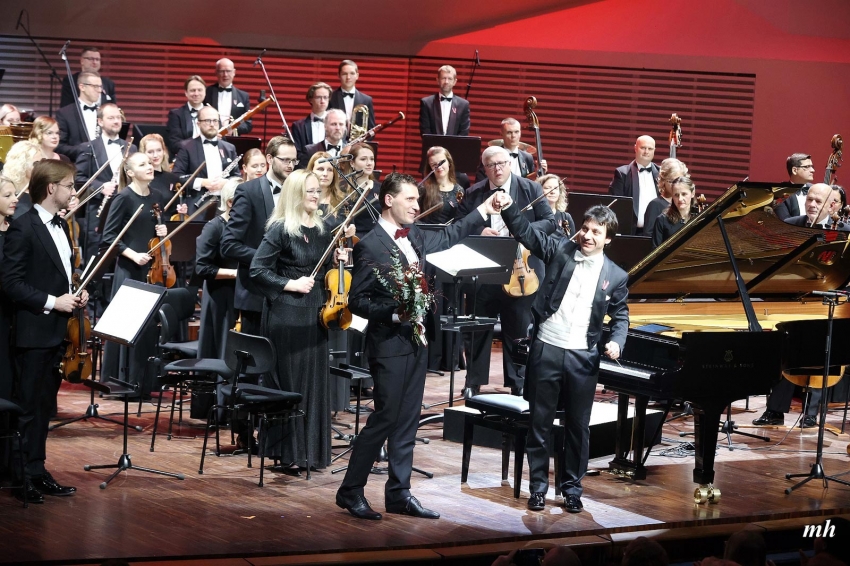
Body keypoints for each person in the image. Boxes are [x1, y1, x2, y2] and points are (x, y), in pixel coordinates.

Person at [335, 172, 502, 521]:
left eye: (416, 199)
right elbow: (357, 301)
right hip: (389, 343)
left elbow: (452, 233)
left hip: (417, 341)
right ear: (389, 200)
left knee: (409, 420)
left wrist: (484, 210)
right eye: (410, 199)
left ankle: (399, 493)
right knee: (385, 418)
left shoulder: (415, 235)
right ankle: (350, 490)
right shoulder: (370, 245)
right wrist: (395, 314)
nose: (416, 206)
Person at [496, 190, 629, 513]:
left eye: (596, 232)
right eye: (585, 228)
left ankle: (571, 490)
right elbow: (527, 234)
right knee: (540, 423)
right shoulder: (559, 250)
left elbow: (621, 316)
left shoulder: (616, 276)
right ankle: (538, 489)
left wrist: (617, 341)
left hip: (583, 358)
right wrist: (510, 208)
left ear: (608, 239)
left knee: (577, 428)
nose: (587, 235)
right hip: (548, 348)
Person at [2, 159, 88, 504]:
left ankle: (37, 470)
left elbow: (60, 274)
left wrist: (75, 293)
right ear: (52, 188)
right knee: (27, 409)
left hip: (57, 331)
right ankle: (21, 476)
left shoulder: (63, 225)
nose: (73, 191)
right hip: (32, 333)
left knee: (43, 408)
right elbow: (10, 283)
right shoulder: (23, 227)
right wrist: (54, 302)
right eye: (69, 185)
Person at [249, 169, 348, 471]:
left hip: (316, 315)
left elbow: (324, 271)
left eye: (318, 190)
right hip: (286, 316)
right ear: (295, 194)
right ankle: (287, 453)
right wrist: (289, 284)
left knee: (314, 386)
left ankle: (310, 453)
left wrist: (338, 261)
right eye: (310, 191)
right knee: (291, 384)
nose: (316, 195)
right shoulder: (280, 229)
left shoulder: (323, 228)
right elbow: (257, 270)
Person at [457, 145, 555, 398]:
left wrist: (523, 231)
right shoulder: (473, 193)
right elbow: (459, 225)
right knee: (478, 327)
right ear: (485, 168)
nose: (497, 169)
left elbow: (549, 221)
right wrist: (479, 231)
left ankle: (517, 381)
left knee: (518, 329)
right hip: (485, 270)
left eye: (501, 163)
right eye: (491, 165)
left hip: (523, 269)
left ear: (510, 163)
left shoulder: (531, 189)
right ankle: (473, 381)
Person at [753, 182, 837, 429]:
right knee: (783, 354)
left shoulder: (843, 231)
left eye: (818, 201)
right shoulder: (791, 225)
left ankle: (811, 414)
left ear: (831, 205)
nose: (812, 204)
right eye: (809, 199)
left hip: (823, 302)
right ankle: (775, 410)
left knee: (819, 356)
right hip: (792, 300)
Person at [99, 153, 169, 392]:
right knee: (127, 325)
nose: (150, 166)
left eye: (150, 163)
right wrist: (133, 255)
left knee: (148, 326)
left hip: (152, 269)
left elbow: (156, 231)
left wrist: (162, 229)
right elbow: (109, 237)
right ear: (129, 172)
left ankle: (145, 380)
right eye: (142, 164)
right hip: (130, 270)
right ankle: (122, 380)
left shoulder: (157, 196)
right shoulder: (123, 198)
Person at [221, 135, 297, 336]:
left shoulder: (299, 192)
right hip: (257, 295)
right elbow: (229, 244)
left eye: (294, 160)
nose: (290, 165)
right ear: (270, 159)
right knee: (257, 354)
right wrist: (266, 258)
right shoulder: (248, 191)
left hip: (293, 296)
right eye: (285, 160)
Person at [74, 103, 137, 265]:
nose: (116, 121)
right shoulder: (88, 148)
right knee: (95, 262)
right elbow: (79, 178)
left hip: (125, 212)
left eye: (118, 118)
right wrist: (101, 187)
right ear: (100, 121)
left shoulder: (131, 148)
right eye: (111, 118)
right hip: (98, 213)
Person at [195, 177, 239, 359]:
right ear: (230, 202)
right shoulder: (213, 228)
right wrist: (236, 274)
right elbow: (202, 268)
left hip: (241, 293)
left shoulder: (247, 227)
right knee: (222, 350)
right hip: (220, 297)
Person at [172, 106, 238, 209]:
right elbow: (177, 176)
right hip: (197, 204)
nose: (212, 124)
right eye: (207, 121)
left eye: (215, 121)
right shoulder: (186, 147)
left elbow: (237, 177)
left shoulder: (229, 148)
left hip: (225, 204)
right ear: (198, 123)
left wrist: (226, 183)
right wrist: (202, 182)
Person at [608, 135, 659, 235]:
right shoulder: (622, 174)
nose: (646, 152)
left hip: (655, 234)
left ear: (654, 150)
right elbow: (615, 205)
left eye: (650, 149)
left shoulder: (662, 173)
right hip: (631, 232)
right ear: (635, 148)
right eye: (643, 148)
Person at [475, 118, 545, 182]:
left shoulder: (527, 157)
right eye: (509, 132)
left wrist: (538, 172)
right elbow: (480, 182)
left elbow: (530, 183)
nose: (513, 136)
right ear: (501, 134)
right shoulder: (491, 157)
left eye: (516, 132)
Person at [56, 71, 106, 161]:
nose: (99, 90)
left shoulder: (104, 112)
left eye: (100, 86)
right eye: (95, 86)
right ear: (82, 87)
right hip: (76, 165)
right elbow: (59, 146)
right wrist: (83, 149)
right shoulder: (65, 113)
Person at [0, 174, 18, 401]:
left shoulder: (16, 230)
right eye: (8, 195)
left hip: (14, 311)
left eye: (15, 194)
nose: (15, 199)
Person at [203, 58, 252, 135]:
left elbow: (247, 125)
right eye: (222, 71)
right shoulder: (206, 93)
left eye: (228, 71)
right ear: (216, 72)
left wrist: (234, 129)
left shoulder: (243, 96)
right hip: (211, 137)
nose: (225, 75)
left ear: (234, 72)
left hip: (233, 140)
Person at [419, 65, 470, 137]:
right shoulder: (427, 103)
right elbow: (425, 132)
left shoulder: (463, 105)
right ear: (437, 80)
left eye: (450, 79)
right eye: (443, 78)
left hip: (455, 144)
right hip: (433, 144)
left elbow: (463, 133)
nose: (446, 82)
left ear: (455, 82)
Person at [344, 142, 382, 237]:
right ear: (352, 163)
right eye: (363, 159)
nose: (369, 163)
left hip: (378, 238)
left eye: (372, 159)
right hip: (354, 240)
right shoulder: (342, 189)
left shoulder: (381, 188)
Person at [642, 158, 688, 237]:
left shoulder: (685, 203)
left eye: (679, 180)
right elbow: (648, 235)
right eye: (672, 181)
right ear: (663, 181)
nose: (676, 185)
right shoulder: (655, 205)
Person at [419, 146, 462, 224]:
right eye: (434, 164)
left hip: (450, 231)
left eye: (442, 162)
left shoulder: (459, 190)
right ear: (430, 167)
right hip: (427, 230)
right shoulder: (423, 189)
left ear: (449, 162)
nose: (439, 167)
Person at [165, 75, 207, 158]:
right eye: (192, 90)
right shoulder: (176, 114)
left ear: (205, 92)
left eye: (200, 90)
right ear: (186, 93)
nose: (196, 93)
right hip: (187, 158)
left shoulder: (213, 113)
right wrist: (196, 141)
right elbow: (174, 144)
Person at [328, 60, 375, 130]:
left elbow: (371, 129)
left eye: (352, 73)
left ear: (357, 76)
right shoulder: (330, 98)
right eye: (344, 74)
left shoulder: (366, 100)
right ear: (338, 76)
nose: (348, 77)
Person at [651, 175, 696, 248]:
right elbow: (655, 250)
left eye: (684, 194)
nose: (680, 199)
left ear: (692, 193)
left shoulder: (699, 218)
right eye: (676, 195)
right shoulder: (662, 220)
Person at [291, 82, 332, 153]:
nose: (322, 101)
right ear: (310, 99)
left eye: (325, 97)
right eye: (318, 97)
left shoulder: (337, 124)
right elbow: (297, 153)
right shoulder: (298, 126)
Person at [139, 134, 180, 205]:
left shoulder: (172, 178)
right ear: (143, 153)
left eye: (159, 150)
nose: (155, 155)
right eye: (150, 152)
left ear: (164, 151)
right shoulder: (140, 179)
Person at [774, 153, 815, 220]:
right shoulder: (780, 193)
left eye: (812, 166)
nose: (813, 170)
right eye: (807, 167)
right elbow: (785, 221)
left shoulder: (815, 189)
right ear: (795, 170)